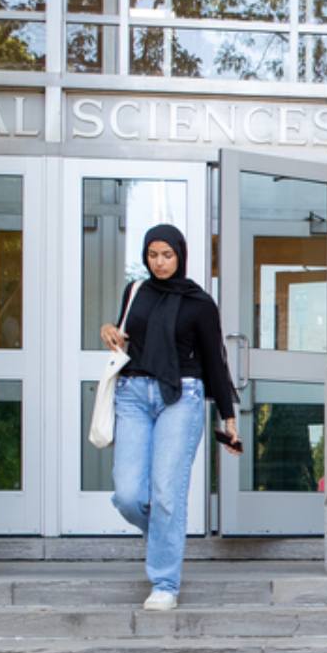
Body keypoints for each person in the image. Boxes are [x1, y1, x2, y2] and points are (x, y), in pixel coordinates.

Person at [97, 224, 243, 611]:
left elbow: (215, 361)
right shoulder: (135, 292)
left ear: (180, 255)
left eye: (167, 255)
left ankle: (164, 583)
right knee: (128, 496)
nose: (159, 263)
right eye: (152, 255)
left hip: (181, 396)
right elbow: (127, 337)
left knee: (165, 494)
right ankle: (165, 537)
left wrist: (229, 419)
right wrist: (111, 330)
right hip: (132, 395)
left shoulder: (199, 303)